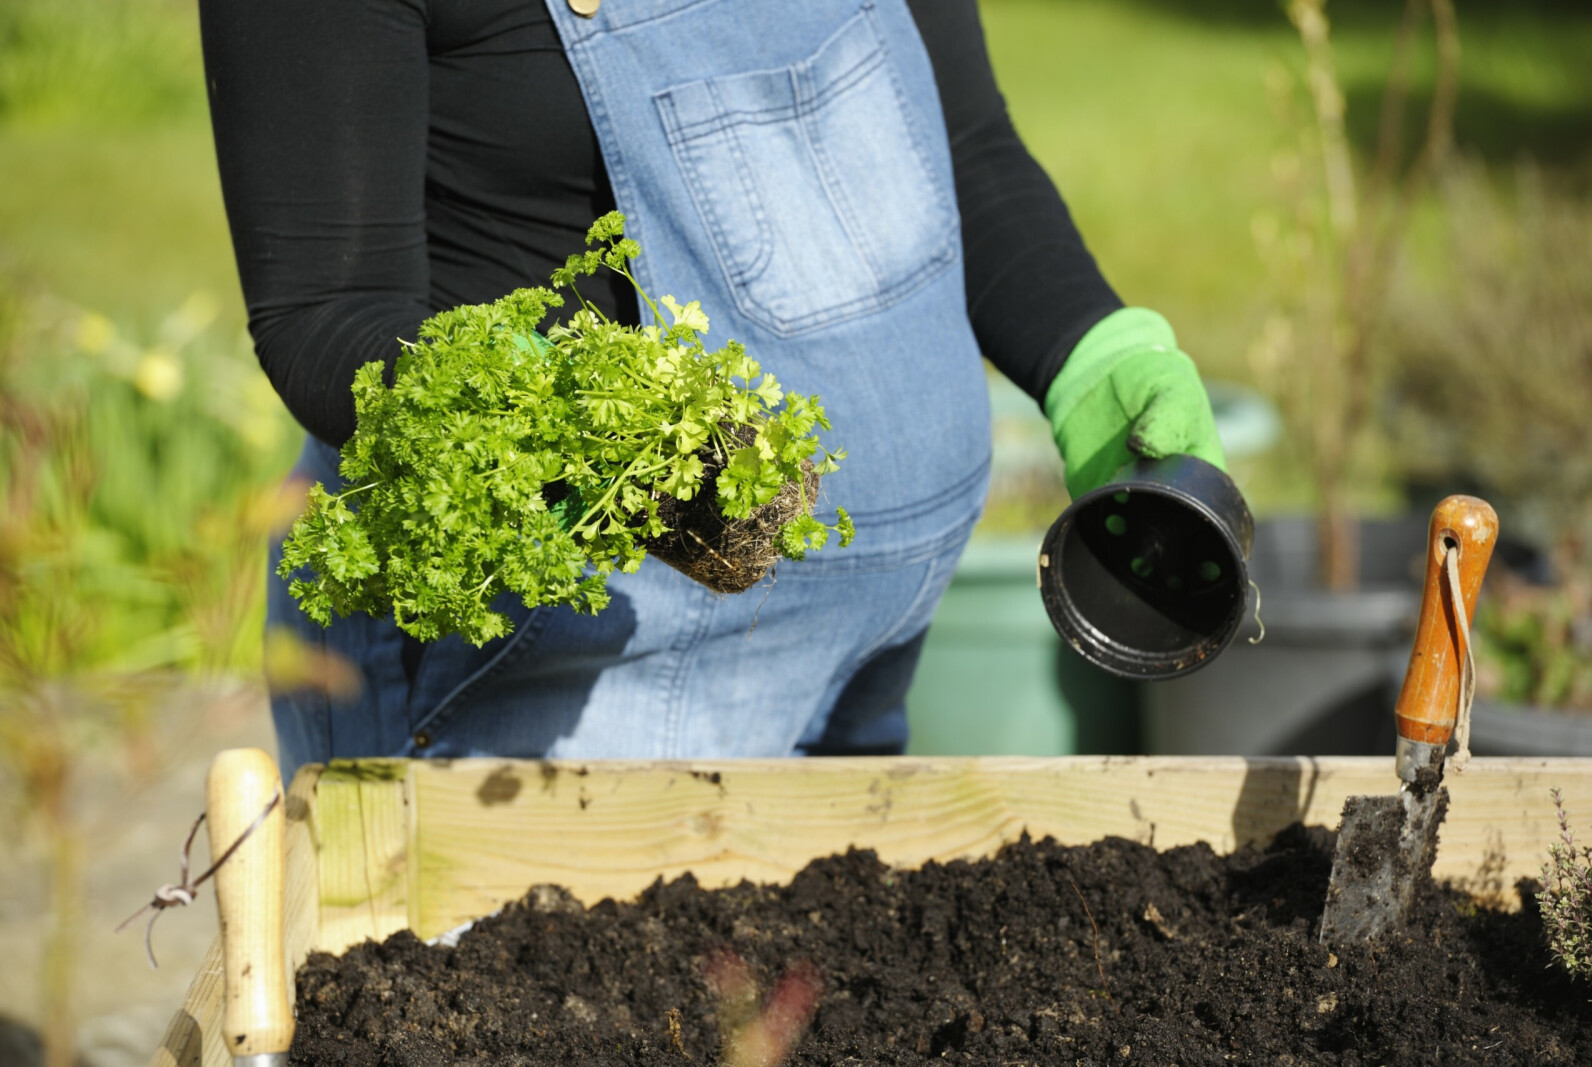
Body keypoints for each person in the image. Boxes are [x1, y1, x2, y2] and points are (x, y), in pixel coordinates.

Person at [198, 0, 1225, 774]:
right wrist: (576, 437)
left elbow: (961, 144)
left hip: (860, 666)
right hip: (562, 685)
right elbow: (327, 316)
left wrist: (1093, 356)